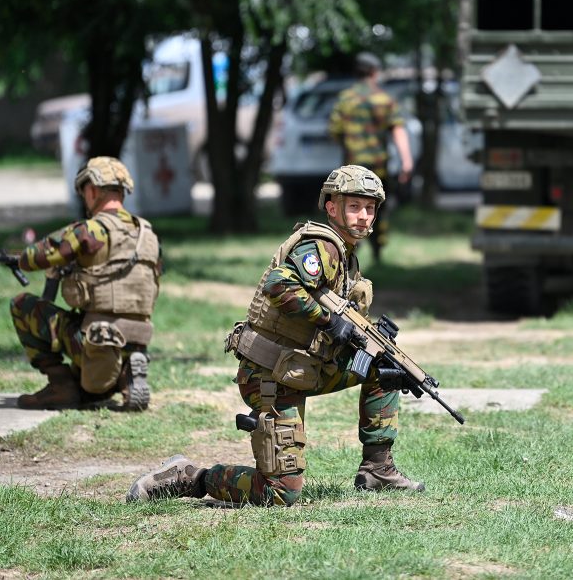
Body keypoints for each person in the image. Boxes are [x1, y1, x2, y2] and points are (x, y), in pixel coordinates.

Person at [126, 165, 423, 506]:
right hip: (270, 374)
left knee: (383, 366)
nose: (363, 216)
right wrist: (329, 320)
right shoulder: (322, 246)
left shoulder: (346, 257)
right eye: (354, 206)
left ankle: (377, 470)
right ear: (331, 207)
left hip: (302, 367)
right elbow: (279, 284)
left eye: (370, 208)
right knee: (280, 493)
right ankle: (188, 476)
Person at [9, 156, 161, 411]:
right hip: (137, 337)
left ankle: (60, 386)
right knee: (96, 341)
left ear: (92, 190)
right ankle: (126, 374)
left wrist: (18, 258)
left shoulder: (89, 230)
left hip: (95, 338)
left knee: (22, 305)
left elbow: (36, 256)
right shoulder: (148, 235)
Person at [327, 52, 413, 262]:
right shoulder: (384, 99)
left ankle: (346, 251)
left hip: (352, 166)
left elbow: (334, 130)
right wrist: (406, 161)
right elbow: (398, 130)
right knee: (375, 207)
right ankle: (378, 252)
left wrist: (348, 145)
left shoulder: (345, 98)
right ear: (375, 72)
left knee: (350, 207)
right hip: (378, 166)